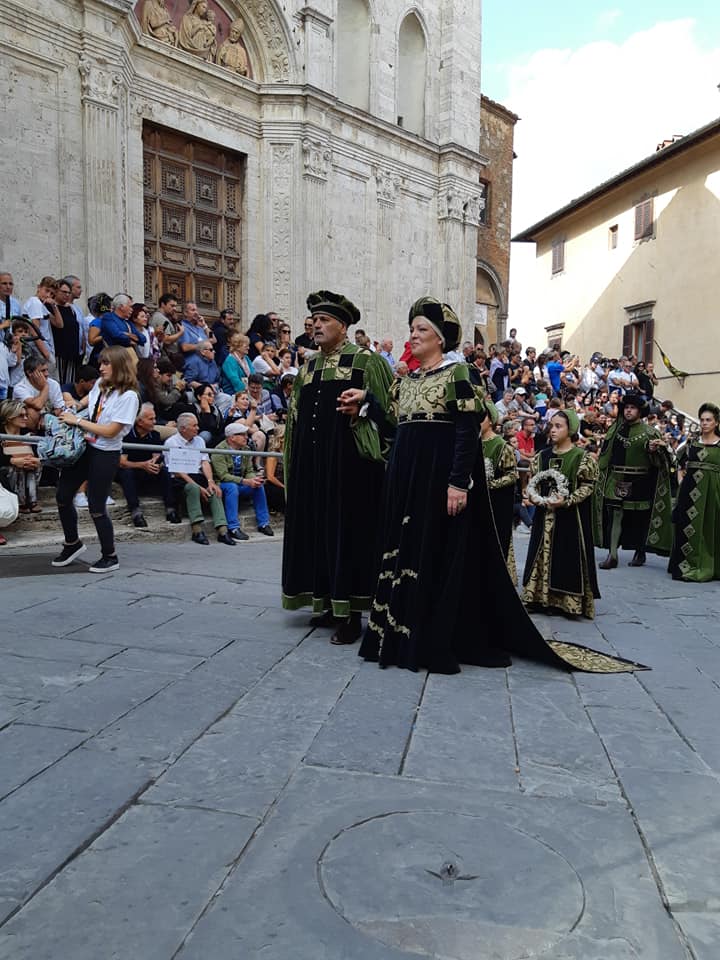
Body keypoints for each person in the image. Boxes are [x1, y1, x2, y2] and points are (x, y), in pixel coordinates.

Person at [357, 298, 640, 674]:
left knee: (434, 553)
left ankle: (431, 639)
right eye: (412, 329)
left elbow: (464, 432)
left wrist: (458, 482)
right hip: (406, 483)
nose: (414, 335)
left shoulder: (457, 375)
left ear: (441, 339)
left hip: (438, 482)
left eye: (422, 329)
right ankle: (399, 636)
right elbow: (398, 429)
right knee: (404, 551)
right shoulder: (405, 382)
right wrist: (368, 403)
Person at [282, 289, 394, 645]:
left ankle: (352, 614)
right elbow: (295, 416)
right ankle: (327, 601)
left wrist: (363, 408)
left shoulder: (366, 361)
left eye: (324, 320)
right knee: (319, 532)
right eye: (314, 320)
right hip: (313, 463)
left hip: (351, 466)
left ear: (343, 326)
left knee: (349, 534)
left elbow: (390, 410)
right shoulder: (309, 366)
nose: (316, 325)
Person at [52, 346, 140, 573]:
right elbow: (84, 404)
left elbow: (111, 431)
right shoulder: (101, 388)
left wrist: (77, 422)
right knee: (63, 495)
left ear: (119, 366)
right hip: (85, 449)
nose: (101, 367)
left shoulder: (129, 396)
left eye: (106, 363)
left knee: (96, 506)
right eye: (101, 362)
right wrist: (73, 404)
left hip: (106, 453)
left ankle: (110, 556)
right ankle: (72, 543)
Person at [523, 409, 601, 619]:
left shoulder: (581, 458)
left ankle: (567, 601)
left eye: (559, 426)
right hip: (543, 515)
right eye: (552, 425)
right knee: (540, 549)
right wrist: (533, 496)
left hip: (569, 518)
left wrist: (567, 500)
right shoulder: (542, 456)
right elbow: (534, 481)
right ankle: (538, 597)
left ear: (571, 429)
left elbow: (588, 486)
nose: (553, 430)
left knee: (567, 554)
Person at [594, 391, 673, 569]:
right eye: (626, 407)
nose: (629, 411)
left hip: (641, 481)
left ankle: (640, 551)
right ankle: (612, 555)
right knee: (615, 515)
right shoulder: (614, 431)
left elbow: (660, 462)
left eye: (633, 408)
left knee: (639, 519)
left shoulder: (650, 432)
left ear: (640, 411)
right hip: (616, 478)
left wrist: (655, 451)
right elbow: (606, 455)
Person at [163, 412, 234, 545]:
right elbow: (177, 471)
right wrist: (199, 487)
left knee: (214, 490)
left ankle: (223, 530)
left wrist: (210, 482)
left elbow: (205, 462)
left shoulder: (200, 440)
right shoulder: (171, 442)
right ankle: (197, 530)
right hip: (181, 480)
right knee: (193, 488)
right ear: (183, 428)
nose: (198, 428)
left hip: (198, 475)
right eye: (194, 426)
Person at [668, 403, 720, 582]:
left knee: (711, 528)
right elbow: (677, 461)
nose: (704, 423)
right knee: (687, 526)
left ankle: (710, 566)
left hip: (713, 494)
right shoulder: (691, 442)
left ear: (716, 423)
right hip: (689, 493)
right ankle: (687, 565)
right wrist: (682, 481)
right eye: (702, 420)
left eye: (709, 420)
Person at [116, 402, 180, 528]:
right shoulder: (127, 435)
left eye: (154, 418)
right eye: (151, 419)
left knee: (165, 471)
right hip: (131, 469)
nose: (154, 422)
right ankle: (135, 511)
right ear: (140, 422)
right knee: (126, 473)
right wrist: (142, 465)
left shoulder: (154, 435)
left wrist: (156, 464)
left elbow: (156, 455)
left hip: (147, 469)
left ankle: (170, 508)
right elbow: (122, 462)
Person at [211, 423, 274, 540]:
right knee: (231, 487)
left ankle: (264, 523)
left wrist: (253, 479)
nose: (247, 437)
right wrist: (245, 481)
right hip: (223, 485)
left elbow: (249, 469)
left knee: (258, 485)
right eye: (243, 435)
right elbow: (223, 476)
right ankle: (233, 527)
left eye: (246, 434)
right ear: (232, 437)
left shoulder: (246, 449)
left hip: (241, 483)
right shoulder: (219, 451)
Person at [481, 402, 518, 583]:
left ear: (491, 420)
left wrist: (491, 484)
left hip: (494, 502)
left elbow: (512, 475)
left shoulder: (501, 446)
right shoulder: (471, 443)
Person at [0, 400, 43, 513]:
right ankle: (19, 502)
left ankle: (32, 501)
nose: (25, 418)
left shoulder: (28, 433)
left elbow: (38, 452)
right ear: (9, 417)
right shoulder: (1, 433)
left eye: (26, 415)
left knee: (35, 466)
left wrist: (35, 460)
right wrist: (13, 460)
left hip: (28, 466)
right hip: (8, 469)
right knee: (14, 468)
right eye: (21, 415)